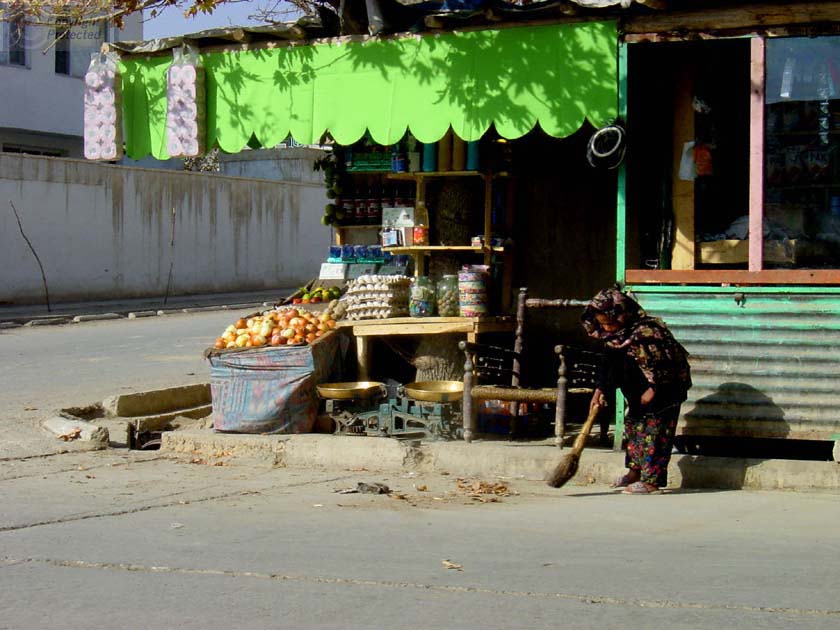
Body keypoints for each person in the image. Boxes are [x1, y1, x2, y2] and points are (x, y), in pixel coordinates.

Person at [581, 287, 692, 495]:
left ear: (622, 313)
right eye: (603, 323)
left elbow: (666, 364)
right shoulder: (613, 336)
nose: (607, 327)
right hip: (636, 393)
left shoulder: (648, 332)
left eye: (611, 322)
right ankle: (635, 472)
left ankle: (651, 481)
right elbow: (609, 364)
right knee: (633, 430)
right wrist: (601, 389)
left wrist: (654, 388)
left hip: (664, 393)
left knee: (655, 434)